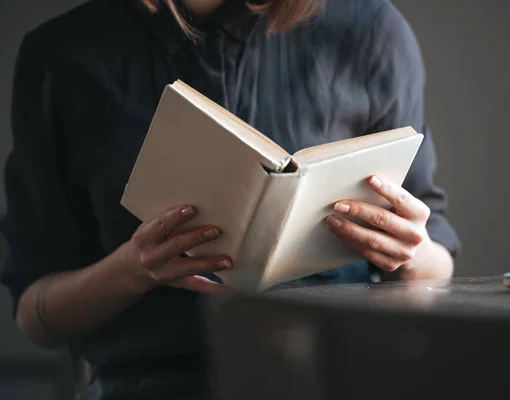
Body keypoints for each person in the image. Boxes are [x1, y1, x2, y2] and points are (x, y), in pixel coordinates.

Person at [1, 0, 460, 398]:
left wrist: (411, 250)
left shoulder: (368, 28)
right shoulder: (62, 55)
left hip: (339, 381)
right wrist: (131, 269)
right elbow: (36, 318)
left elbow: (438, 262)